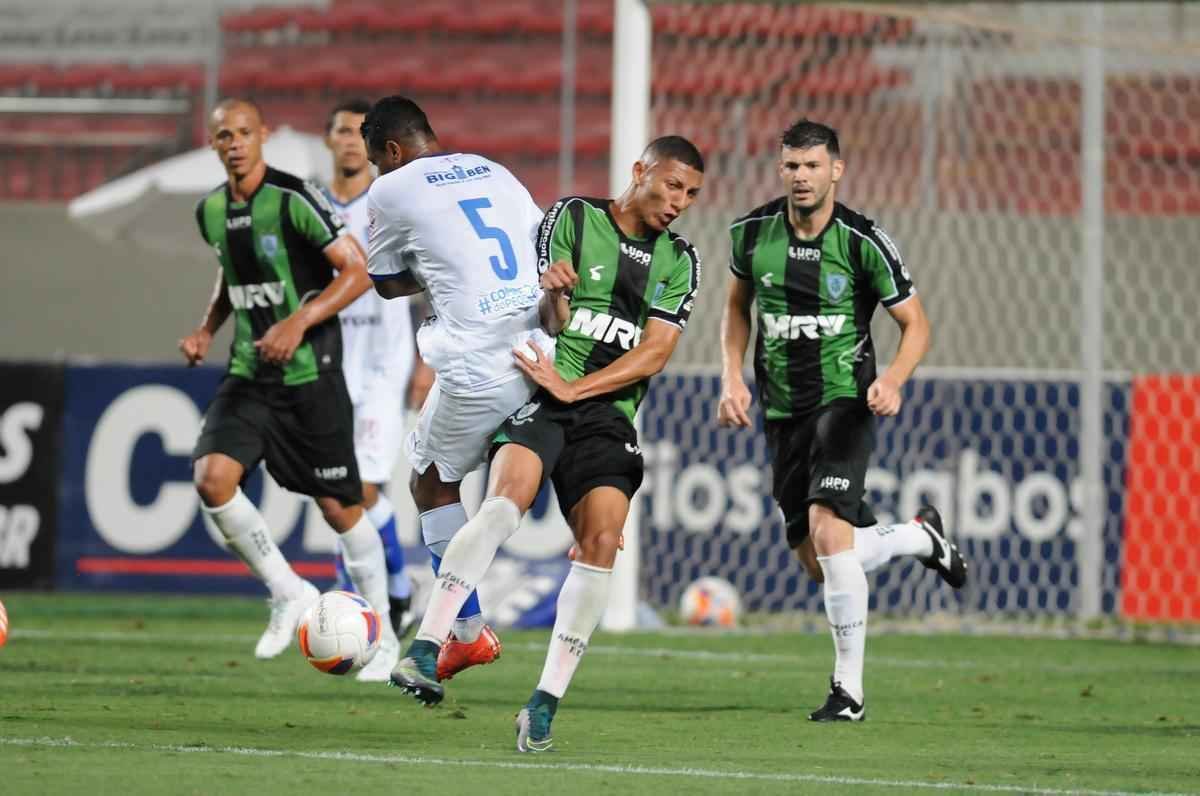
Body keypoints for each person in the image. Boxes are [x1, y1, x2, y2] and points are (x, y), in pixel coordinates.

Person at [391, 136, 706, 755]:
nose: (679, 202)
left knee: (601, 544)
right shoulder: (572, 217)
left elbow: (655, 353)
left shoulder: (681, 260)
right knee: (504, 503)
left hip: (605, 415)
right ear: (640, 171)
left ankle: (542, 706)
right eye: (671, 185)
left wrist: (577, 385)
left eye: (691, 193)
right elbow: (550, 319)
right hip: (539, 398)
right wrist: (554, 294)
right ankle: (425, 649)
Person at [717, 119, 967, 722]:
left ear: (837, 170)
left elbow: (917, 324)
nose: (801, 176)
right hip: (782, 411)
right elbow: (736, 308)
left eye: (812, 166)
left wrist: (892, 380)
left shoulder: (863, 241)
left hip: (845, 402)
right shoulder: (751, 233)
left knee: (830, 535)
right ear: (781, 170)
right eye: (791, 166)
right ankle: (917, 537)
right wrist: (729, 376)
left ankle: (847, 692)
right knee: (819, 560)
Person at [180, 98, 401, 675]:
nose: (234, 142)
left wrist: (298, 321)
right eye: (224, 134)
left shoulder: (294, 196)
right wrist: (206, 329)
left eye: (245, 132)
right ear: (213, 144)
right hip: (250, 374)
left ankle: (383, 635)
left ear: (264, 136)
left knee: (342, 508)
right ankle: (287, 591)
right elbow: (233, 270)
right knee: (213, 478)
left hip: (311, 375)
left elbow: (356, 271)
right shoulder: (209, 212)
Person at [361, 95, 560, 682]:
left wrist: (429, 265)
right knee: (503, 486)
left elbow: (386, 283)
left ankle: (466, 633)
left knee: (429, 479)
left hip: (480, 364)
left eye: (377, 160)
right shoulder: (495, 170)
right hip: (542, 352)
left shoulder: (390, 191)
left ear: (392, 151)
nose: (377, 171)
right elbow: (541, 249)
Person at [321, 98, 435, 645]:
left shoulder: (390, 200)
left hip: (384, 366)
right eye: (340, 132)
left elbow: (431, 274)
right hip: (328, 362)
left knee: (360, 486)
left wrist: (425, 359)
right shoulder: (312, 206)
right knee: (350, 490)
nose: (348, 141)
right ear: (329, 141)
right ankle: (393, 587)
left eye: (356, 133)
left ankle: (358, 598)